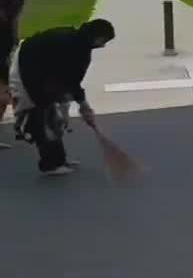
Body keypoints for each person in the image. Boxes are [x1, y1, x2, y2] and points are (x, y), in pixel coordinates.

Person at [10, 19, 116, 176]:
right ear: (95, 36)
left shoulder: (80, 44)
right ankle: (50, 164)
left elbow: (73, 81)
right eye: (104, 40)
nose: (103, 45)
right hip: (25, 67)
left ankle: (59, 159)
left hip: (43, 71)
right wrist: (84, 106)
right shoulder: (73, 47)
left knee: (54, 116)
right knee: (41, 115)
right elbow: (72, 82)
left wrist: (83, 106)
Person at [0, 0, 26, 149]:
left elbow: (14, 38)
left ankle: (22, 126)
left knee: (4, 99)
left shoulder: (10, 20)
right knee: (5, 96)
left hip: (4, 59)